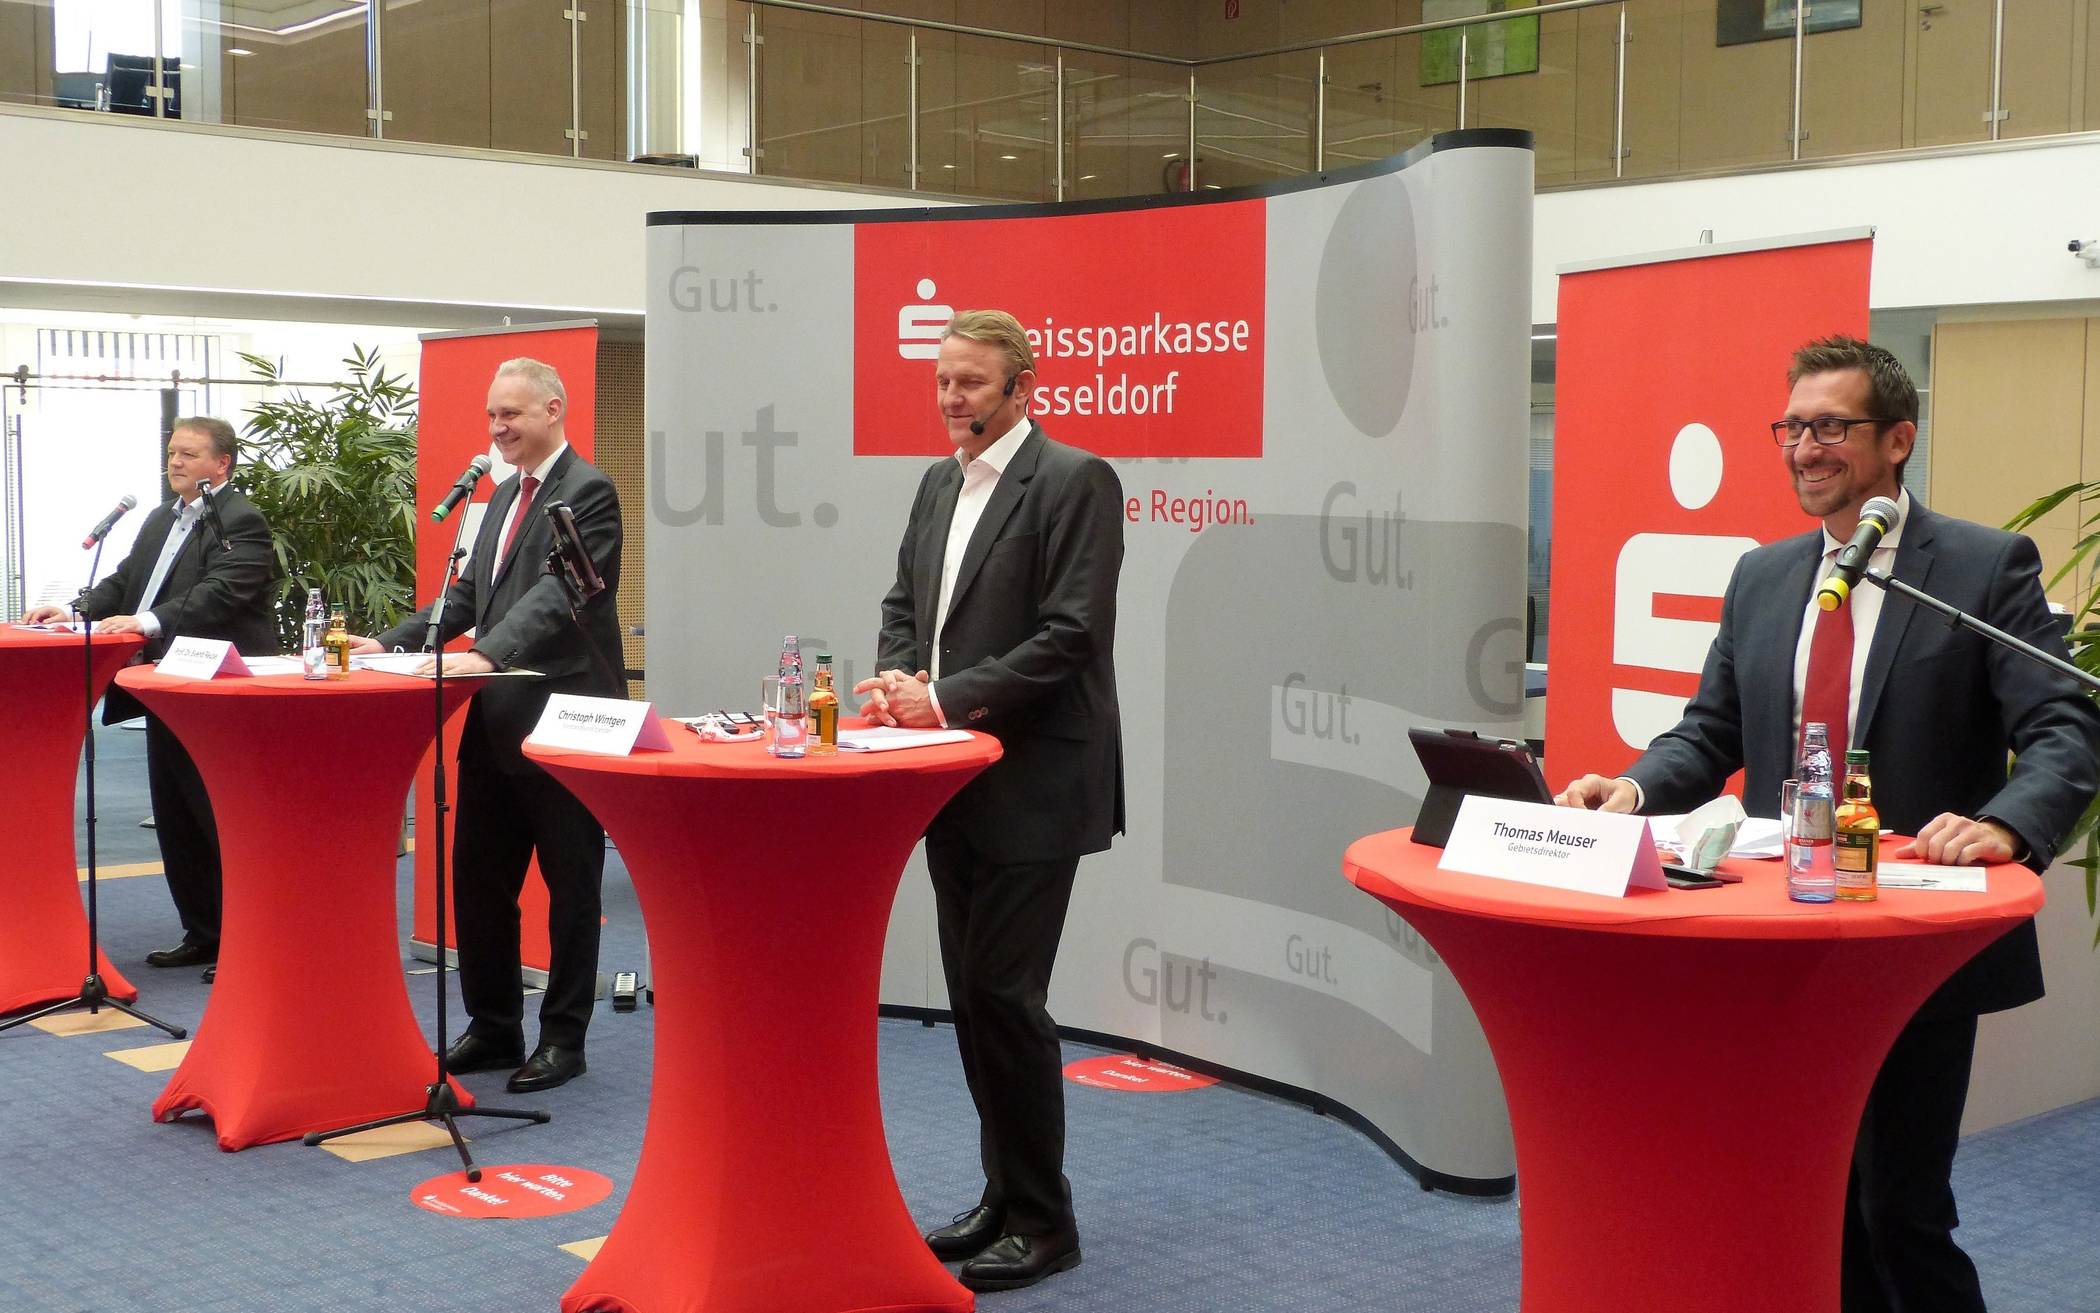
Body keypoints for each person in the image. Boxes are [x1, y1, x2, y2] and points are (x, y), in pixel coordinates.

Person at [1557, 335, 2100, 1313]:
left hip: (1906, 946)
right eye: (1792, 427)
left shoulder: (1979, 567)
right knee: (1808, 1202)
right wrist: (1631, 790)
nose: (1806, 448)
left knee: (1900, 1208)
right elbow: (1709, 731)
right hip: (1779, 937)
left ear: (1898, 438)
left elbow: (2065, 723)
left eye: (1831, 426)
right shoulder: (1763, 577)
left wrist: (2007, 824)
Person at [854, 309, 1124, 1294]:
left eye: (970, 383)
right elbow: (903, 606)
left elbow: (1072, 633)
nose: (951, 399)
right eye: (942, 381)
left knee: (1007, 995)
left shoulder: (1074, 479)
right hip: (951, 776)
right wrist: (896, 681)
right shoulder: (936, 483)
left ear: (1022, 388)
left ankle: (1047, 1220)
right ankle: (1000, 1197)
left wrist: (947, 696)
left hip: (1037, 779)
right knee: (973, 995)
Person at [353, 357, 624, 1095]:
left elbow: (559, 595)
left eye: (512, 413)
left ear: (553, 409)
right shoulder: (499, 499)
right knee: (477, 881)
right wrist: (392, 642)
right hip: (495, 719)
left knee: (571, 889)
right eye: (492, 415)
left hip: (564, 722)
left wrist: (486, 655)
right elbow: (468, 594)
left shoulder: (589, 492)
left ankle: (564, 1038)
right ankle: (495, 1023)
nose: (499, 427)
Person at [25, 417, 278, 976]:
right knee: (176, 813)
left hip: (220, 690)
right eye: (171, 453)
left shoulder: (241, 520)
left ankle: (244, 942)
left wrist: (144, 622)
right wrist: (74, 609)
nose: (176, 463)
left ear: (222, 465)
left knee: (217, 815)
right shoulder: (162, 518)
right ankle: (204, 932)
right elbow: (126, 580)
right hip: (166, 686)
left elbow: (220, 593)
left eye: (189, 454)